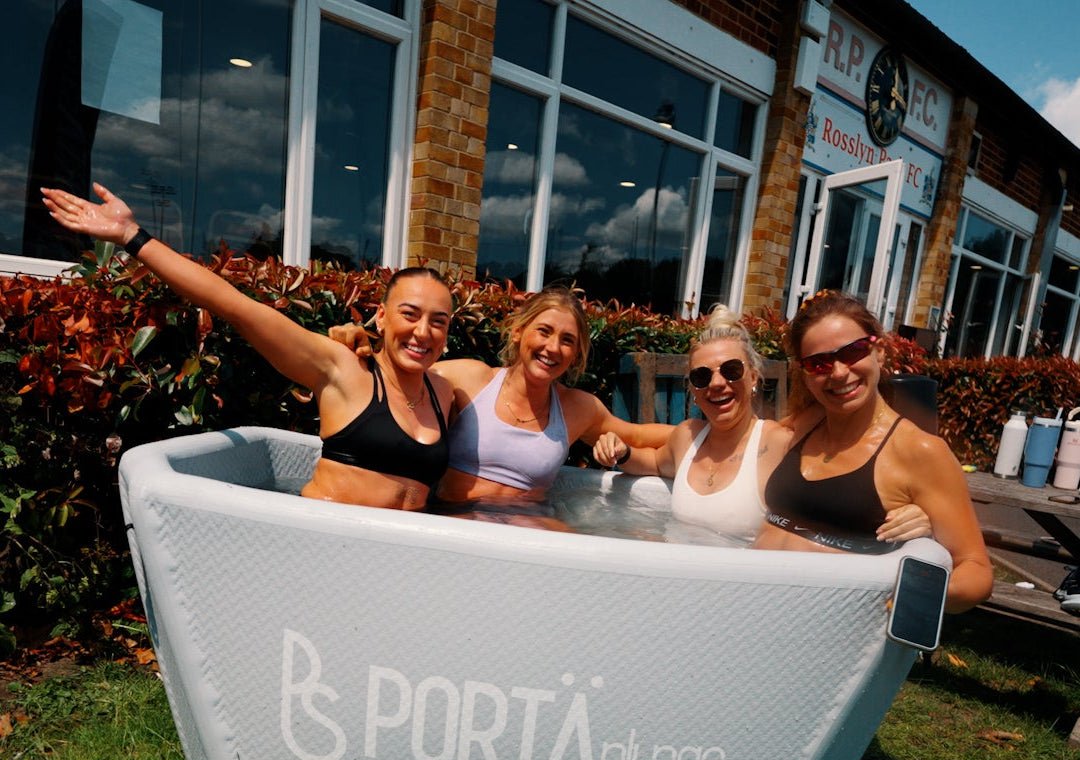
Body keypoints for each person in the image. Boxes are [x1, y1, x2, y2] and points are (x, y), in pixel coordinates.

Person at [41, 182, 454, 512]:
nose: (423, 332)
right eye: (410, 314)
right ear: (381, 317)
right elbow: (234, 305)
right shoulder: (344, 370)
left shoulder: (448, 389)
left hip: (395, 558)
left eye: (439, 321)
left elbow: (514, 383)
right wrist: (132, 235)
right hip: (322, 541)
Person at [592, 306, 931, 548]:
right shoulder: (687, 437)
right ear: (693, 390)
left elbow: (846, 473)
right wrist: (620, 453)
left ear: (753, 377)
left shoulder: (779, 442)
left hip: (747, 601)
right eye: (701, 376)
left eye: (732, 370)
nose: (717, 383)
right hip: (678, 587)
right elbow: (653, 463)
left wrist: (914, 510)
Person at [333, 285, 672, 517]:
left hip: (531, 528)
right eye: (544, 331)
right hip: (456, 521)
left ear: (576, 354)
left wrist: (712, 432)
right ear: (518, 331)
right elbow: (395, 372)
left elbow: (639, 437)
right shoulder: (469, 379)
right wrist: (358, 339)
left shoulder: (577, 408)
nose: (553, 348)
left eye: (567, 340)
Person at [755, 290, 993, 614]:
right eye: (819, 363)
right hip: (752, 602)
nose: (839, 372)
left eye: (852, 352)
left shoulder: (919, 451)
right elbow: (733, 438)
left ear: (878, 352)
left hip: (832, 623)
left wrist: (918, 596)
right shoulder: (804, 424)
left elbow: (976, 569)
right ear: (804, 373)